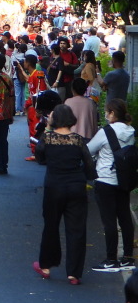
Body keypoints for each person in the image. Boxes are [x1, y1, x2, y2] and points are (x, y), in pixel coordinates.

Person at [34, 104, 96, 284]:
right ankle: (74, 273)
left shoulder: (48, 138)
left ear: (55, 120)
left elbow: (39, 157)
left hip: (54, 186)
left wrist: (46, 128)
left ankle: (46, 265)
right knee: (76, 229)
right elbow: (90, 166)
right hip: (76, 186)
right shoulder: (78, 140)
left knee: (51, 226)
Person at [87, 98, 136, 272]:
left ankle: (111, 260)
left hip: (105, 179)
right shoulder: (131, 131)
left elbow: (89, 150)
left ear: (112, 113)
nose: (106, 115)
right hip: (123, 180)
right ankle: (128, 257)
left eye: (107, 112)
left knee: (109, 222)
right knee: (125, 218)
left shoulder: (105, 131)